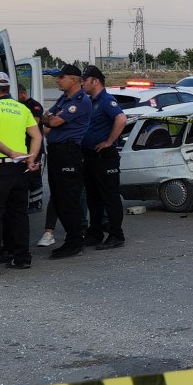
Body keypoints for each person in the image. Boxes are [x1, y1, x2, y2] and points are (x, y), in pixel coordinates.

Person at [0, 72, 42, 277]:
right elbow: (36, 136)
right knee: (18, 213)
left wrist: (11, 152)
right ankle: (22, 257)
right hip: (20, 168)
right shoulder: (21, 108)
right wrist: (31, 158)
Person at [43, 64, 92, 259]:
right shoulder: (65, 99)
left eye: (61, 77)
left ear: (74, 79)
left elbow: (52, 122)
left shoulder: (80, 101)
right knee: (59, 198)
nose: (57, 80)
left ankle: (75, 241)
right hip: (56, 152)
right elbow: (48, 122)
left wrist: (50, 121)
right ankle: (72, 239)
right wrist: (50, 120)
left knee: (68, 199)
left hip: (69, 153)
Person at [80, 65, 127, 249]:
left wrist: (109, 141)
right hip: (90, 156)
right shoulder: (90, 101)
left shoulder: (106, 100)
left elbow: (121, 119)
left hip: (104, 156)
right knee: (93, 197)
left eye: (85, 80)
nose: (82, 83)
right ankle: (95, 232)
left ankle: (116, 234)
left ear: (95, 81)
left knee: (110, 197)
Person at [18, 84, 46, 215]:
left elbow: (33, 124)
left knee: (34, 176)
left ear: (22, 93)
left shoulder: (34, 105)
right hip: (24, 146)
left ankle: (37, 203)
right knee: (25, 177)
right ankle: (29, 202)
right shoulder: (20, 105)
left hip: (35, 147)